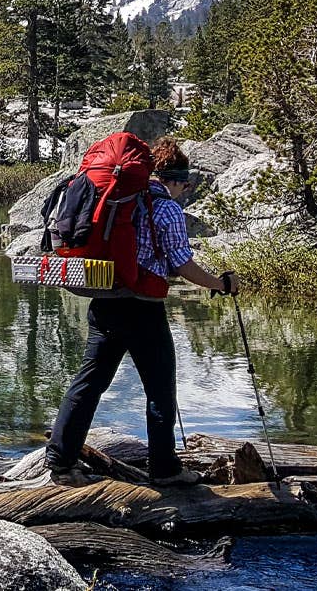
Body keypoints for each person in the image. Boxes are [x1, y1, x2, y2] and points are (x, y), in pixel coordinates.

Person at [44, 136, 238, 486]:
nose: (186, 189)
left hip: (106, 301)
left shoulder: (124, 199)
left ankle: (60, 462)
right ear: (175, 179)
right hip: (144, 309)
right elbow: (182, 264)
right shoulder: (167, 208)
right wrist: (219, 285)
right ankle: (165, 470)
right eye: (185, 182)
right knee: (160, 390)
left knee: (88, 384)